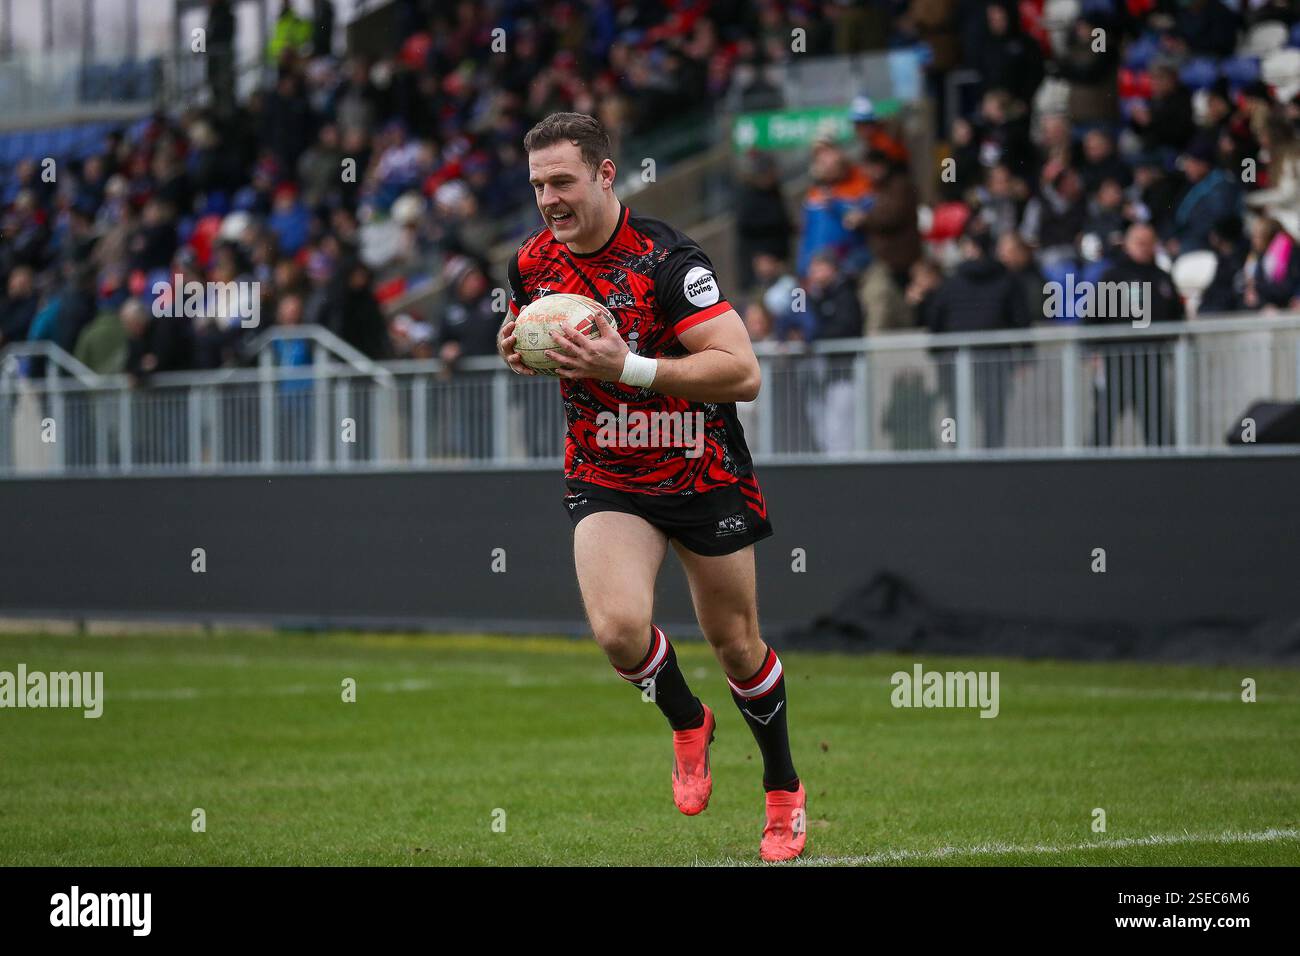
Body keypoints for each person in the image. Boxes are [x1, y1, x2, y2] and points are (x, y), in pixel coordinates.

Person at [495, 112, 804, 861]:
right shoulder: (531, 264)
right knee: (618, 631)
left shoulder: (668, 260)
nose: (549, 199)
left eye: (562, 180)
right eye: (538, 185)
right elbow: (527, 334)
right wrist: (516, 352)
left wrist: (624, 366)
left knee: (736, 645)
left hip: (701, 470)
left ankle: (783, 788)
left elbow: (743, 373)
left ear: (606, 174)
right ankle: (687, 718)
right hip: (606, 472)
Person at [1086, 223, 1184, 446]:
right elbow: (1091, 318)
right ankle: (1092, 471)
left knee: (1158, 426)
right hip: (1115, 363)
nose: (1144, 248)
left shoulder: (1163, 278)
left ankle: (1166, 472)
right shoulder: (1112, 277)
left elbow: (1177, 319)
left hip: (1152, 363)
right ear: (1127, 244)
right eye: (1139, 242)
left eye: (1149, 243)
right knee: (1103, 423)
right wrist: (1093, 352)